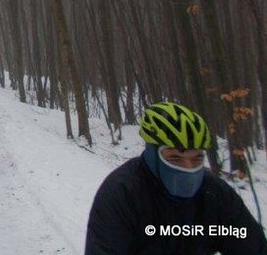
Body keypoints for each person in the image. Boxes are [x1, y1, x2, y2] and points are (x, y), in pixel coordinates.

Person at [85, 101, 267, 254]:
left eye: (197, 158)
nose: (188, 168)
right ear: (152, 154)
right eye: (175, 158)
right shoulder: (121, 193)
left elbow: (250, 243)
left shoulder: (215, 194)